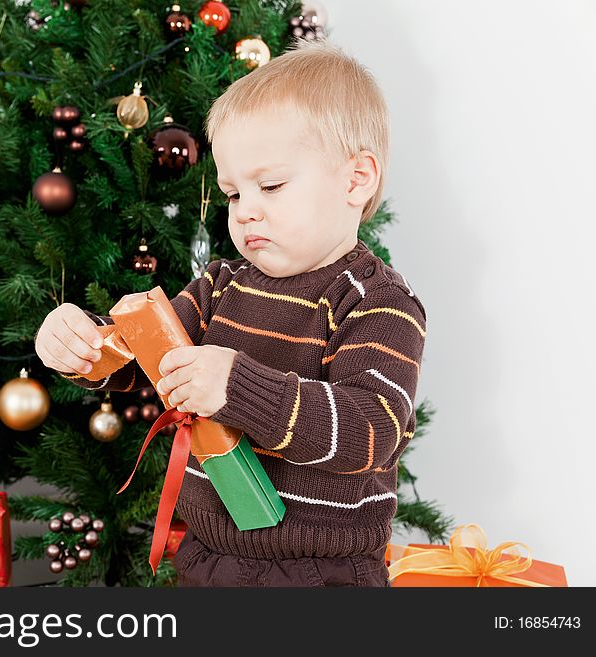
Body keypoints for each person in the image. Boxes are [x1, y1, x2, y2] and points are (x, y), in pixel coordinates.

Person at [34, 39, 426, 587]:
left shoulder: (375, 300)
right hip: (210, 557)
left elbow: (370, 431)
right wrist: (82, 346)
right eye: (233, 194)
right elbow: (145, 356)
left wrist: (236, 388)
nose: (247, 212)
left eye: (270, 186)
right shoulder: (222, 284)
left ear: (355, 179)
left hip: (322, 573)